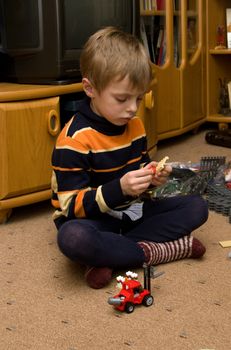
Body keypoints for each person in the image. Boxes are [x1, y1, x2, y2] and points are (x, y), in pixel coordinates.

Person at [51, 27, 208, 289]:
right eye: (122, 99)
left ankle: (109, 255)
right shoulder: (74, 140)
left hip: (131, 213)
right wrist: (119, 188)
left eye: (138, 97)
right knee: (73, 238)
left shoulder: (135, 126)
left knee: (196, 207)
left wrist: (152, 176)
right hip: (94, 220)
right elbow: (69, 205)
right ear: (90, 88)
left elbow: (140, 170)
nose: (133, 108)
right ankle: (157, 251)